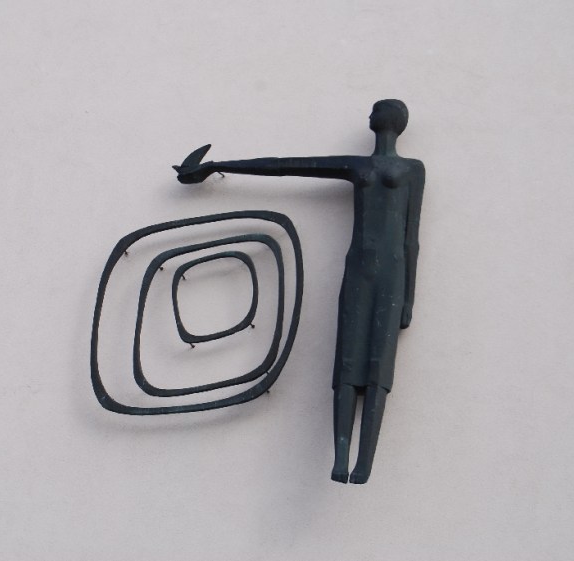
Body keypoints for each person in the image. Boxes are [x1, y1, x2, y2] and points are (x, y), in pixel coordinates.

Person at [174, 99, 425, 484]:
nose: (370, 116)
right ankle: (340, 456)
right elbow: (286, 165)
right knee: (347, 359)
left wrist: (408, 297)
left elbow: (411, 239)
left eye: (376, 111)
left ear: (392, 119)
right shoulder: (357, 165)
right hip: (358, 267)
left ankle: (364, 462)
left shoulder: (412, 169)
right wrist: (219, 165)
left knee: (379, 363)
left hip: (391, 272)